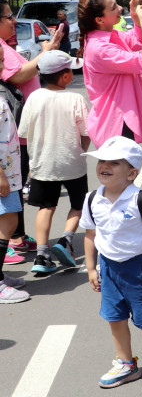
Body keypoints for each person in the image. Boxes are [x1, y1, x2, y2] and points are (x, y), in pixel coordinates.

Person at [81, 136, 142, 388]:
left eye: (114, 162)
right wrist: (91, 268)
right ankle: (126, 364)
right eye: (102, 160)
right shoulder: (92, 199)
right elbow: (90, 235)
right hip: (109, 267)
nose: (104, 165)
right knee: (115, 318)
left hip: (139, 268)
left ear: (132, 173)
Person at [0, 0, 63, 255]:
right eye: (8, 16)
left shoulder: (6, 45)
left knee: (16, 183)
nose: (14, 20)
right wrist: (45, 54)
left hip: (16, 132)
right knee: (11, 186)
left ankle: (16, 236)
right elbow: (19, 74)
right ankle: (11, 242)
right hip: (11, 132)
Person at [19, 51, 89, 276]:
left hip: (42, 163)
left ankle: (42, 254)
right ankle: (66, 240)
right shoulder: (76, 98)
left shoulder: (34, 98)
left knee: (46, 206)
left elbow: (23, 131)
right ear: (66, 76)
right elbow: (86, 132)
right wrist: (82, 149)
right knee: (79, 204)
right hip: (72, 162)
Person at [77, 0, 142, 147]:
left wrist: (136, 18)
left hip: (118, 120)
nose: (120, 9)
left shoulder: (108, 37)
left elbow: (136, 40)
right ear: (100, 20)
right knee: (122, 170)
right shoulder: (100, 48)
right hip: (116, 123)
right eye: (114, 7)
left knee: (126, 170)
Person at [0, 43, 28, 303]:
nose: (2, 66)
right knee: (8, 221)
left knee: (7, 220)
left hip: (8, 172)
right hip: (2, 175)